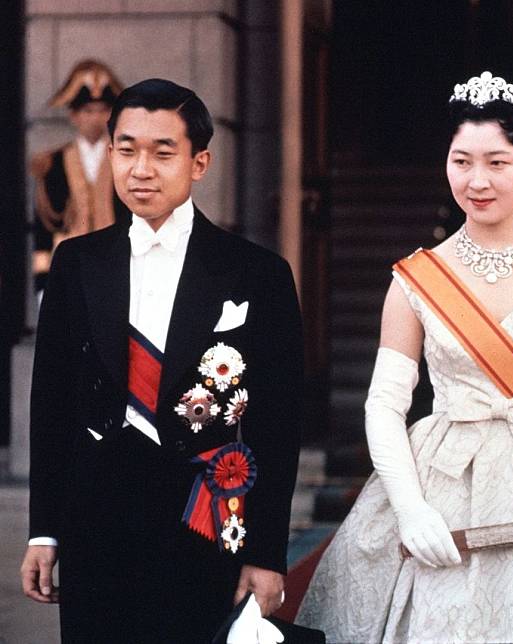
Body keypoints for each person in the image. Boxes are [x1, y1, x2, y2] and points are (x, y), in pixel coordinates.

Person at [297, 71, 513, 642]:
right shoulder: (416, 279)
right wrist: (410, 509)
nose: (476, 180)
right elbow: (385, 404)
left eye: (498, 162)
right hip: (443, 483)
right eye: (461, 161)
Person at [21, 78, 304, 643]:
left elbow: (278, 423)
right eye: (126, 149)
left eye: (162, 151)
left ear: (199, 162)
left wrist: (267, 553)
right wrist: (44, 532)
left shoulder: (256, 274)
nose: (141, 168)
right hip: (94, 525)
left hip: (202, 523)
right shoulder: (77, 265)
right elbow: (51, 406)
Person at [30, 59, 128, 295]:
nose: (95, 118)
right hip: (67, 267)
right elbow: (44, 225)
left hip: (118, 265)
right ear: (74, 115)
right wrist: (42, 282)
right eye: (88, 111)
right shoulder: (52, 163)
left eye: (103, 110)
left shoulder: (126, 159)